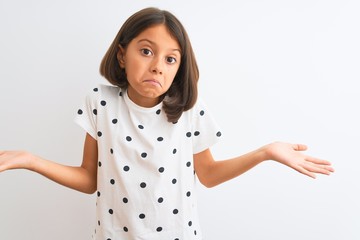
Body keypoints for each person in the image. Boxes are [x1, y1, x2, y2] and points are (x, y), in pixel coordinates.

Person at [0, 7, 334, 240]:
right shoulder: (99, 102)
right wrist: (31, 161)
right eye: (146, 51)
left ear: (178, 68)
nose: (158, 66)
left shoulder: (190, 110)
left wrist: (265, 153)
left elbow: (208, 174)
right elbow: (90, 179)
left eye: (170, 58)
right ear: (121, 54)